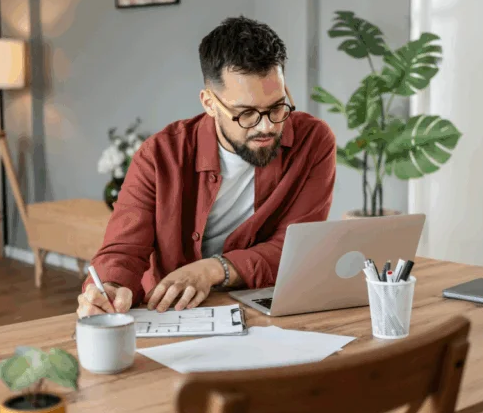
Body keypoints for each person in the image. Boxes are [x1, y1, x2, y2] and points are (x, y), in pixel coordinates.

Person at [77, 16, 336, 317]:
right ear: (209, 103)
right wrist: (110, 286)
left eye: (277, 107)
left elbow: (294, 249)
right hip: (174, 312)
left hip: (264, 306)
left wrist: (214, 269)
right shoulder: (160, 155)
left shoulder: (313, 141)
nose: (266, 126)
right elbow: (123, 249)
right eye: (246, 113)